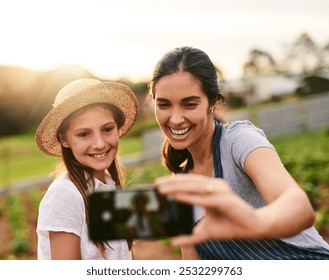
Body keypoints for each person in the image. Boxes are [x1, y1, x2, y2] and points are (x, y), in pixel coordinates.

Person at [150, 46, 329, 260]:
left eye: (189, 104)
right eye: (164, 105)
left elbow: (299, 207)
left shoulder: (238, 140)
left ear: (213, 103)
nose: (176, 118)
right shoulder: (181, 187)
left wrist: (254, 222)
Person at [35, 78, 139, 260]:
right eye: (84, 134)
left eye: (107, 129)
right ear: (64, 139)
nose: (99, 144)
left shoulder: (110, 184)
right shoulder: (64, 196)